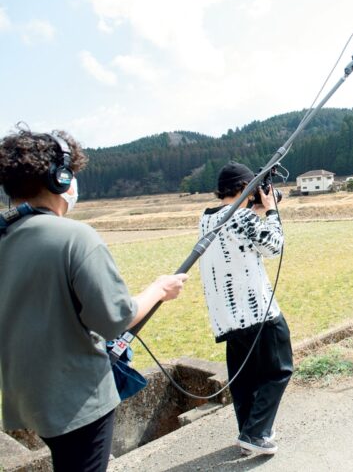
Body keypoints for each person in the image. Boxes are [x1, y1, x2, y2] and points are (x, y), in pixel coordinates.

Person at [0, 127, 188, 472]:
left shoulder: (6, 237)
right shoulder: (74, 237)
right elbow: (114, 318)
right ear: (61, 177)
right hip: (77, 399)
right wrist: (159, 289)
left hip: (27, 397)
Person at [198, 161, 293, 456]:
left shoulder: (207, 218)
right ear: (243, 189)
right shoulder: (243, 219)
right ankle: (255, 433)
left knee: (244, 379)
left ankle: (248, 432)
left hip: (227, 317)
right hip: (256, 311)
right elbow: (275, 246)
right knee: (279, 369)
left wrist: (257, 211)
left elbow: (238, 235)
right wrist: (272, 211)